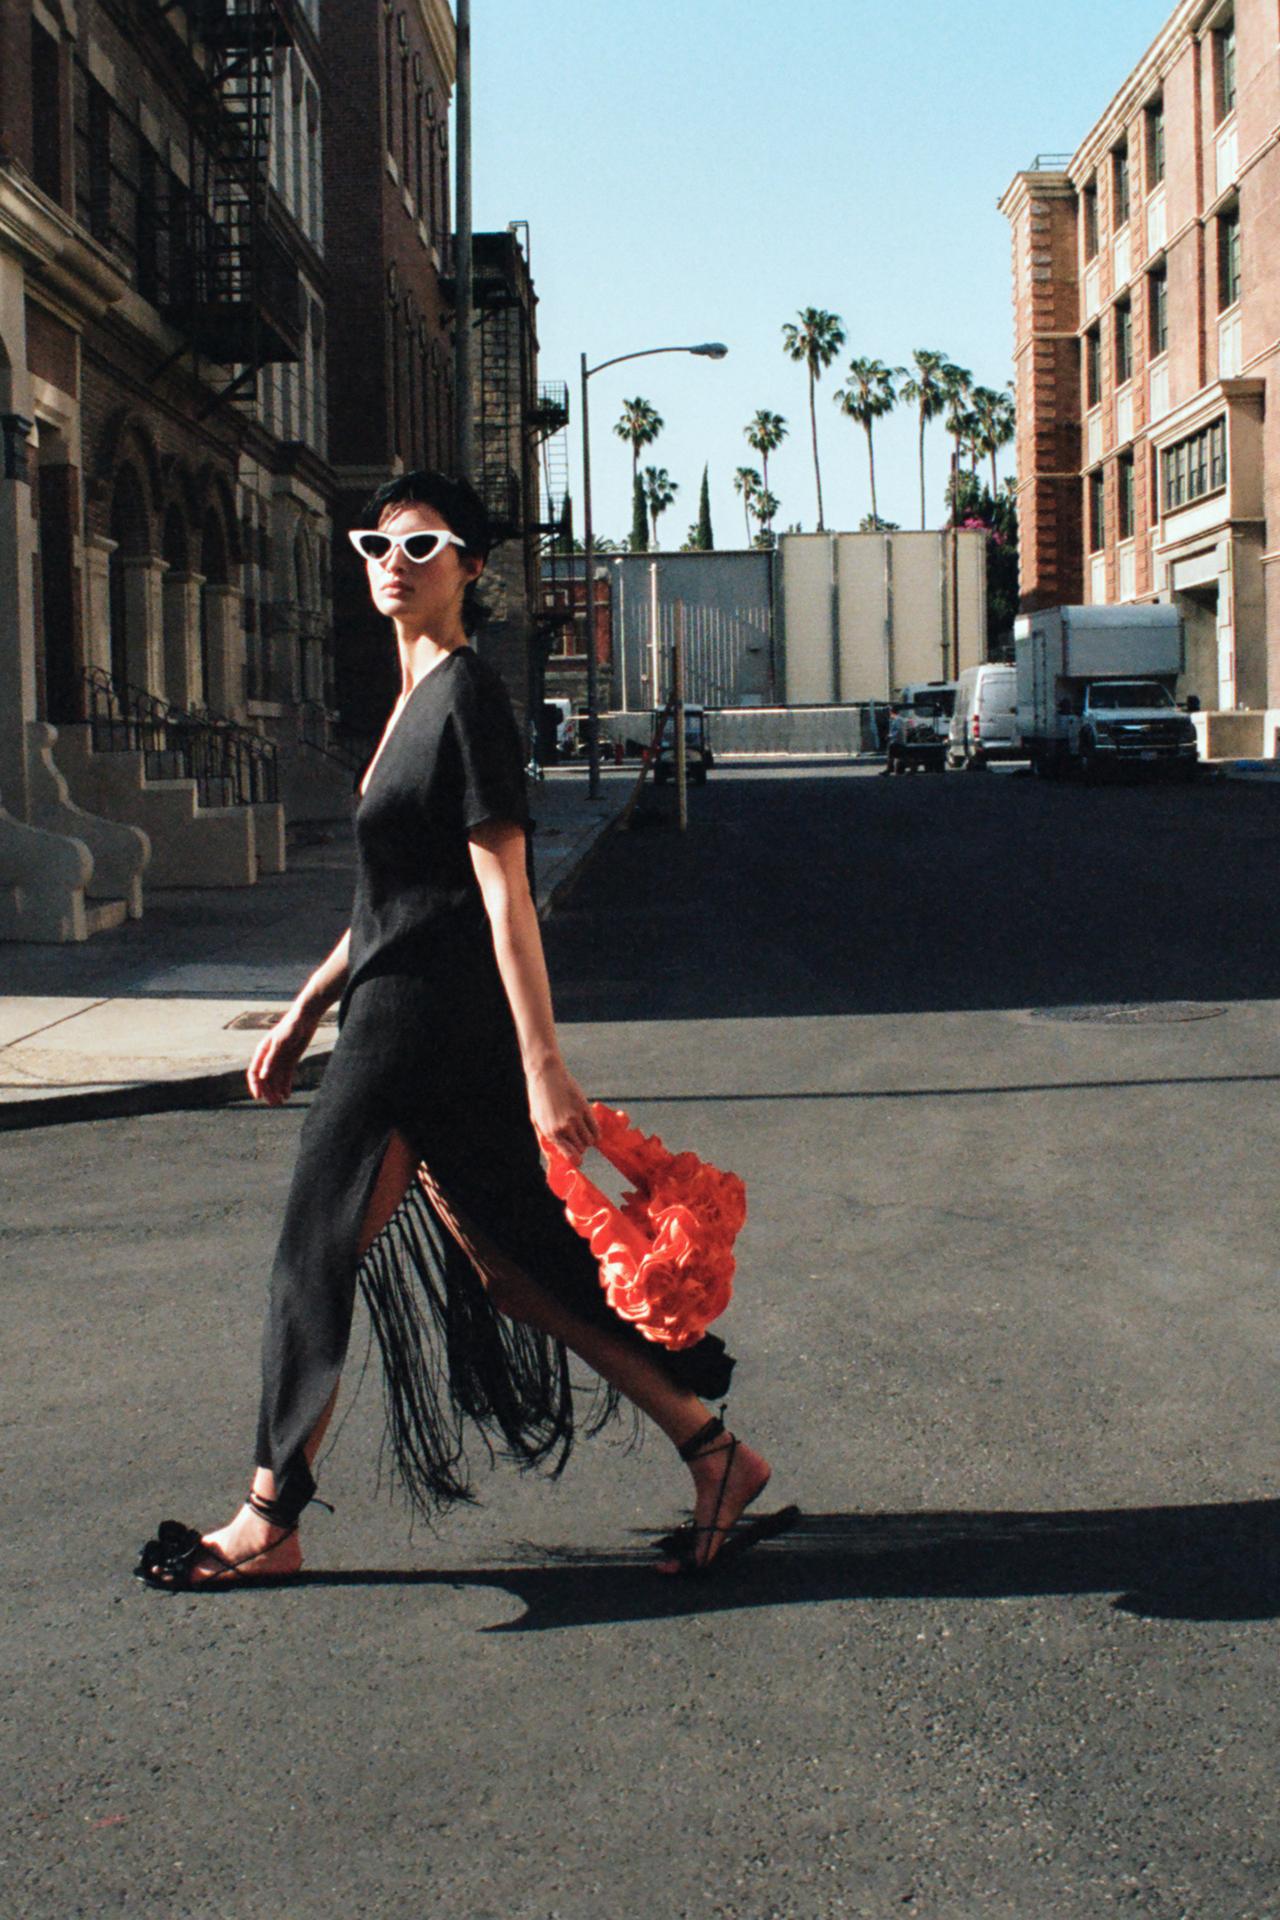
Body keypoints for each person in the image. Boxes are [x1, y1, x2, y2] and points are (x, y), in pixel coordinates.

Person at [136, 471, 784, 1591]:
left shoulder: (466, 697)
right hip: (401, 1010)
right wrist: (301, 1010)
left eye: (424, 546)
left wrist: (546, 1068)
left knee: (314, 1251)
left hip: (425, 1030)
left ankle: (268, 1515)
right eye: (377, 545)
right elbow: (393, 898)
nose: (395, 562)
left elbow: (500, 893)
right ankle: (712, 1453)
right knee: (515, 1269)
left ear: (471, 568)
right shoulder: (408, 698)